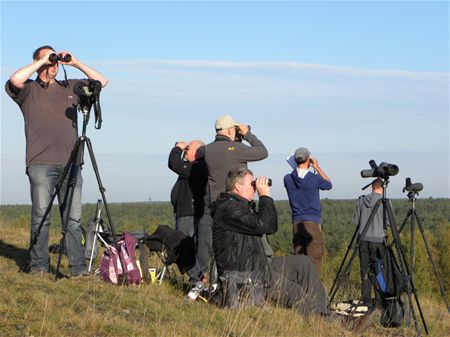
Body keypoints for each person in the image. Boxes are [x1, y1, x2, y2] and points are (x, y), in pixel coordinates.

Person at [5, 45, 108, 276]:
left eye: (56, 61)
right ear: (39, 63)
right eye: (50, 61)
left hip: (71, 163)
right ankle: (39, 267)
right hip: (40, 164)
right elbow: (15, 79)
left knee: (73, 220)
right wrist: (42, 61)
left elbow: (103, 82)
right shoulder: (28, 90)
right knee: (41, 217)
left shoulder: (69, 86)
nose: (54, 64)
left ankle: (78, 269)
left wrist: (75, 62)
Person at [211, 167, 328, 315]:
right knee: (295, 291)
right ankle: (319, 318)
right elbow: (267, 226)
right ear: (238, 186)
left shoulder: (241, 206)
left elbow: (267, 225)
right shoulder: (228, 209)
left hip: (261, 264)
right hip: (247, 273)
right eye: (251, 184)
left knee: (303, 263)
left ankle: (323, 312)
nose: (255, 187)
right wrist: (265, 196)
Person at [192, 115, 269, 294]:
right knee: (244, 247)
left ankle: (215, 283)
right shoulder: (236, 149)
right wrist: (248, 134)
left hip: (214, 206)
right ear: (229, 130)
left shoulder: (206, 150)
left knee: (219, 248)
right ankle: (245, 286)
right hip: (236, 206)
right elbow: (262, 152)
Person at [283, 147, 332, 274]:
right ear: (308, 160)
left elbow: (296, 176)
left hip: (296, 223)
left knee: (299, 260)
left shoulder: (287, 179)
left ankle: (301, 290)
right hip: (312, 223)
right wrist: (317, 167)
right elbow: (328, 184)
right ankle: (313, 291)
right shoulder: (314, 179)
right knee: (314, 259)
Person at [168, 140, 208, 291]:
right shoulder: (194, 166)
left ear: (198, 152)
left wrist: (177, 148)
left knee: (183, 245)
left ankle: (197, 279)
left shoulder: (197, 167)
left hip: (188, 213)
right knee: (188, 246)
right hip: (186, 212)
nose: (185, 151)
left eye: (188, 149)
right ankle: (198, 278)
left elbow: (175, 164)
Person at [352, 178, 386, 307]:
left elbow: (356, 221)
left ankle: (366, 299)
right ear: (381, 188)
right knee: (378, 270)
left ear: (372, 187)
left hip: (363, 240)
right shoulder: (384, 202)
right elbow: (387, 222)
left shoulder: (361, 200)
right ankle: (379, 300)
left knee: (364, 270)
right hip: (378, 241)